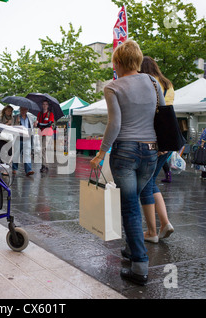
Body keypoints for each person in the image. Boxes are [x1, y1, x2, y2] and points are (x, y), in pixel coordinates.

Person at [90, 39, 161, 286]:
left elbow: (115, 124)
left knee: (130, 207)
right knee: (136, 199)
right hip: (151, 152)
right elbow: (163, 116)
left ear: (118, 63)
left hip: (126, 153)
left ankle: (140, 266)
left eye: (114, 63)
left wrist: (101, 153)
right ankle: (132, 250)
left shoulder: (113, 87)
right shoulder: (154, 83)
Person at [139, 56, 175, 243]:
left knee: (146, 183)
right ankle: (164, 223)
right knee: (151, 181)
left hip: (153, 139)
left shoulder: (146, 84)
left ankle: (152, 232)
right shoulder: (168, 84)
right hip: (169, 137)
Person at [12, 106, 35, 176]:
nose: (23, 111)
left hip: (27, 138)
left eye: (25, 109)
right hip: (18, 138)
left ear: (27, 110)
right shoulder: (15, 117)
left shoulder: (30, 117)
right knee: (16, 154)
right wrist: (17, 122)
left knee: (27, 154)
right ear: (20, 109)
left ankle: (28, 170)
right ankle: (14, 168)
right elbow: (12, 127)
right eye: (22, 109)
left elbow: (31, 127)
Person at [35, 100, 54, 173]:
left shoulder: (50, 114)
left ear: (48, 106)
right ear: (42, 105)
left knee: (43, 148)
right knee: (43, 149)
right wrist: (38, 124)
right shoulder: (39, 114)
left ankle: (44, 165)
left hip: (48, 133)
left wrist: (40, 124)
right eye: (43, 104)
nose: (45, 105)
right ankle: (45, 165)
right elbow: (38, 124)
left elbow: (49, 124)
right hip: (41, 133)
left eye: (46, 104)